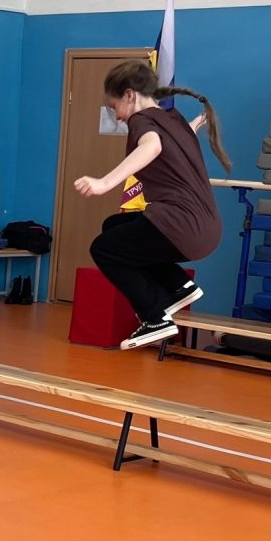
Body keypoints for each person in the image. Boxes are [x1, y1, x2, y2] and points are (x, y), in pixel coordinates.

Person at [73, 59, 230, 349]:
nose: (116, 116)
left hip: (180, 227)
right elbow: (169, 144)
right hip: (207, 229)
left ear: (129, 95)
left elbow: (152, 146)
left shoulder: (141, 120)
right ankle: (179, 285)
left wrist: (104, 183)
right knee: (114, 226)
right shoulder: (173, 119)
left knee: (103, 249)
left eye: (114, 107)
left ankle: (155, 317)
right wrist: (194, 125)